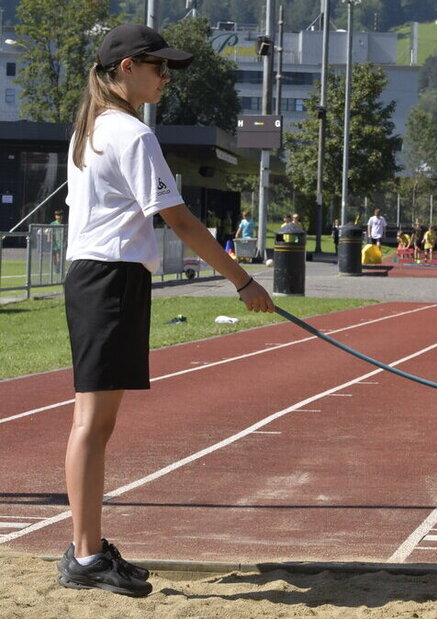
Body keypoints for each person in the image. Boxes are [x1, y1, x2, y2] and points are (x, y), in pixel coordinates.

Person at [58, 23, 276, 598]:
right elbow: (178, 219)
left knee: (95, 423)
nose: (167, 79)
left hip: (103, 276)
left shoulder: (92, 127)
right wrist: (242, 280)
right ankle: (85, 555)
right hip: (109, 278)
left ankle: (87, 546)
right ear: (127, 68)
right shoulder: (131, 133)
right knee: (92, 424)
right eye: (159, 67)